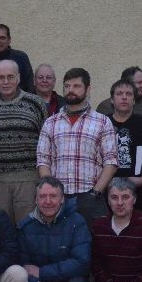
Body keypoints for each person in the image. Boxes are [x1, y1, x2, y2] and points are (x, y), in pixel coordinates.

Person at [36, 67, 118, 224]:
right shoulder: (51, 123)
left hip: (91, 197)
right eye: (67, 86)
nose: (70, 90)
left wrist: (95, 193)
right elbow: (43, 160)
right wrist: (50, 192)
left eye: (76, 86)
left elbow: (111, 162)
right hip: (58, 200)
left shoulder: (102, 122)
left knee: (93, 239)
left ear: (88, 89)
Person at [17, 177, 91, 282]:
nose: (48, 201)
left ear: (62, 198)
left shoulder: (77, 221)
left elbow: (82, 262)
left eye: (53, 196)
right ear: (36, 199)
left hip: (68, 280)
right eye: (42, 196)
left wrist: (42, 272)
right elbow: (21, 265)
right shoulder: (25, 226)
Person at [0, 59, 48, 223]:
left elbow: (46, 142)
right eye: (0, 77)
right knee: (0, 228)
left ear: (18, 78)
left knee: (28, 226)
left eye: (10, 77)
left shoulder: (36, 103)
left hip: (29, 179)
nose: (6, 82)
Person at [108, 78, 142, 209]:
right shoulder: (103, 123)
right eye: (119, 94)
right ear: (112, 99)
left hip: (138, 189)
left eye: (129, 94)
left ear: (134, 100)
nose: (124, 97)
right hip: (109, 190)